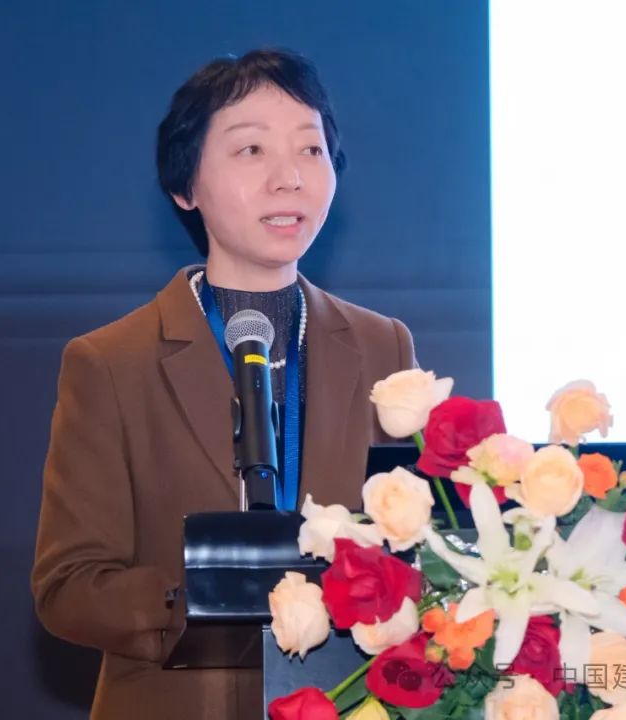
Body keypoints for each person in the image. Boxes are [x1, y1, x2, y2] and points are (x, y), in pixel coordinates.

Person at [31, 49, 416, 719]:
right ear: (186, 186)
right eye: (251, 150)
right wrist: (210, 595)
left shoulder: (383, 345)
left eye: (311, 149)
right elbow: (68, 586)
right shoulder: (111, 362)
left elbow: (418, 541)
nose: (289, 178)